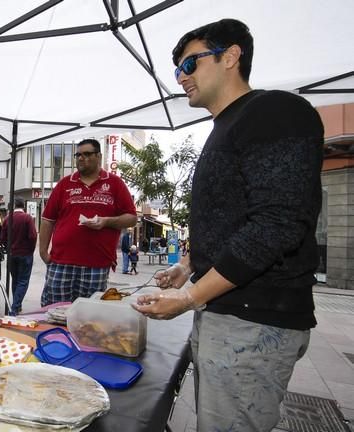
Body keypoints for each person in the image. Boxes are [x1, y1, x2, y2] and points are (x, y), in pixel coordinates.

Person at [133, 19, 324, 432]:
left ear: (231, 56)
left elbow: (277, 224)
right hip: (229, 314)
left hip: (254, 318)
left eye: (189, 64)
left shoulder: (274, 111)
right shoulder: (226, 126)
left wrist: (188, 298)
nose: (181, 78)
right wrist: (187, 265)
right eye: (178, 70)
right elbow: (228, 219)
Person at [39, 138, 137, 306]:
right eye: (78, 155)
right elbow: (47, 220)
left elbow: (132, 218)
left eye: (86, 154)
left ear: (99, 156)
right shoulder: (65, 184)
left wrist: (106, 221)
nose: (81, 158)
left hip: (97, 265)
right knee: (53, 312)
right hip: (61, 263)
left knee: (88, 317)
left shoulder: (115, 184)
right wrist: (43, 252)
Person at [1, 197, 37, 315]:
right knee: (23, 280)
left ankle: (17, 304)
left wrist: (8, 248)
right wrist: (30, 250)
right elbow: (32, 236)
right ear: (23, 206)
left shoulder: (7, 219)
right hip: (25, 253)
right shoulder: (27, 218)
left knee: (15, 279)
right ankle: (15, 307)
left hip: (12, 254)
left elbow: (3, 238)